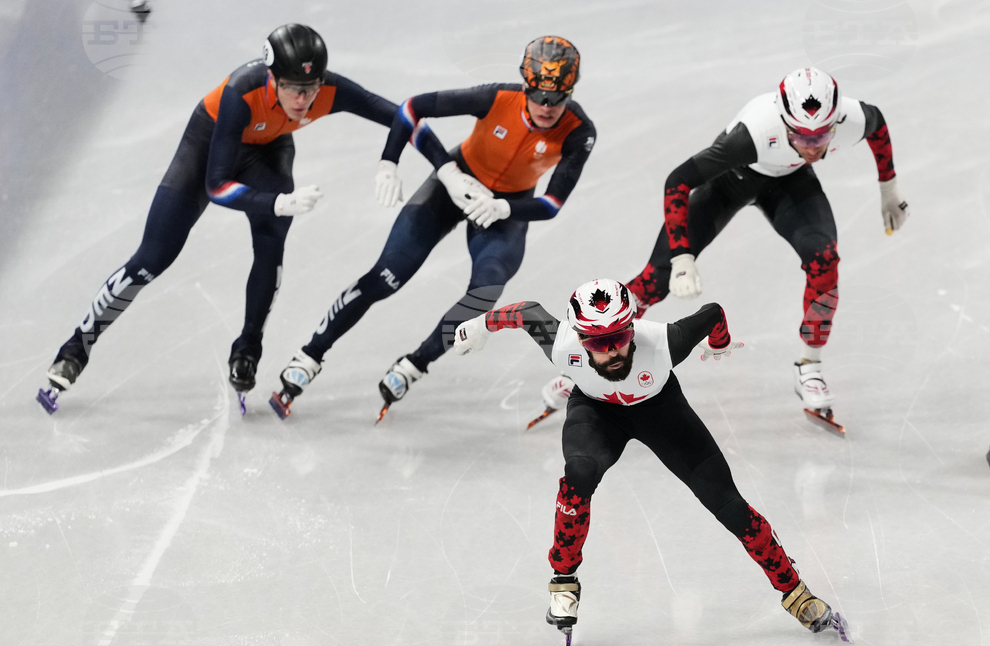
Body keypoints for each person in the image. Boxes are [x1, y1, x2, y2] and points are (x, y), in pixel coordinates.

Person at [37, 24, 445, 414]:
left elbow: (404, 115)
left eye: (310, 89)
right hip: (210, 144)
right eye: (291, 89)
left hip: (268, 150)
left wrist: (444, 168)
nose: (302, 101)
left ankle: (248, 348)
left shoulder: (328, 90)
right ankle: (76, 347)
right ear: (272, 79)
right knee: (152, 257)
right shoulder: (240, 91)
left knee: (272, 247)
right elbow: (216, 186)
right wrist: (274, 203)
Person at [452, 279, 852, 645]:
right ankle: (563, 581)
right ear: (579, 338)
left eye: (620, 338)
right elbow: (524, 311)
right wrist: (481, 325)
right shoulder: (561, 344)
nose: (610, 351)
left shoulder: (665, 341)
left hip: (662, 411)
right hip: (595, 412)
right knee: (579, 473)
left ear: (632, 328)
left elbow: (712, 312)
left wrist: (718, 343)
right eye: (596, 343)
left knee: (728, 503)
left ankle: (796, 592)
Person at [535, 67, 909, 433]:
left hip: (790, 185)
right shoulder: (752, 135)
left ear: (836, 121)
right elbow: (677, 181)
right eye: (802, 138)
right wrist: (683, 259)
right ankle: (584, 362)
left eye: (821, 138)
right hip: (733, 179)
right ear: (783, 122)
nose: (812, 148)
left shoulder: (854, 118)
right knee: (654, 281)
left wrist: (888, 188)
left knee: (824, 262)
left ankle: (809, 366)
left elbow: (879, 129)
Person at [268, 36, 597, 420]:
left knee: (485, 291)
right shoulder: (496, 98)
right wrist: (389, 162)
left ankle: (416, 364)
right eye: (539, 95)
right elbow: (411, 108)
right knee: (387, 275)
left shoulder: (578, 130)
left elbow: (553, 202)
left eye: (557, 99)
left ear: (570, 94)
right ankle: (310, 354)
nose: (546, 107)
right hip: (451, 186)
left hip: (506, 207)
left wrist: (503, 206)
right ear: (525, 85)